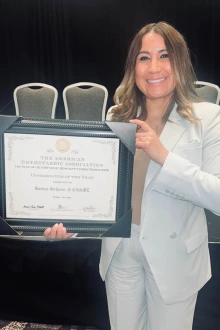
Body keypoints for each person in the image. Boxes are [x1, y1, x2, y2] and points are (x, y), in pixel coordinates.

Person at [44, 22, 220, 330]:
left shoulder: (207, 118)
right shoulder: (117, 116)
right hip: (121, 251)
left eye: (164, 56)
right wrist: (71, 222)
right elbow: (98, 187)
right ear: (133, 66)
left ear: (180, 62)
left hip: (174, 256)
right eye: (143, 57)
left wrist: (163, 156)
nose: (154, 68)